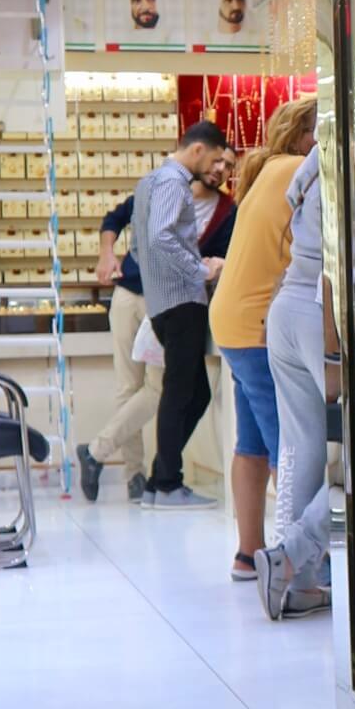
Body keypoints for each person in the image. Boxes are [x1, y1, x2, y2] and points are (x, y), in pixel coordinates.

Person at [76, 144, 237, 502]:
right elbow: (114, 219)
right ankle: (135, 475)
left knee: (158, 389)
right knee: (129, 388)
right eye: (217, 160)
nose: (220, 169)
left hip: (169, 303)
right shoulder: (163, 187)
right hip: (129, 293)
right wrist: (106, 254)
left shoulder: (227, 211)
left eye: (228, 165)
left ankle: (104, 455)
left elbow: (222, 257)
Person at [211, 98, 317, 581]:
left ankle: (248, 554)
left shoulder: (269, 169)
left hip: (233, 321)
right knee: (287, 448)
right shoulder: (301, 170)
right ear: (301, 136)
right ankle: (291, 566)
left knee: (251, 442)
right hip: (259, 325)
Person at [130, 120, 229, 510]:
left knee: (193, 391)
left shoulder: (148, 182)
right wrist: (199, 270)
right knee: (178, 393)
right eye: (215, 159)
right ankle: (168, 485)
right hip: (182, 302)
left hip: (160, 301)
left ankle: (159, 481)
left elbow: (138, 246)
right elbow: (160, 237)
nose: (216, 169)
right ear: (198, 149)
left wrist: (159, 277)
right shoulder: (174, 183)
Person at [255, 142, 335, 619]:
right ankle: (291, 554)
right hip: (325, 310)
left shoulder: (318, 154)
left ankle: (296, 584)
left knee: (302, 447)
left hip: (288, 304)